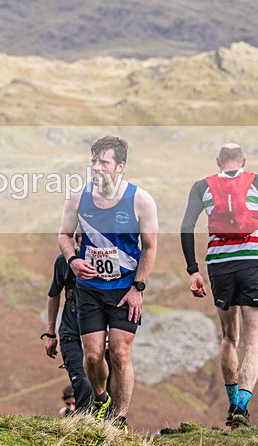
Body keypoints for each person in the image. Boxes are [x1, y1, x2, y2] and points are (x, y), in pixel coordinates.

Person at [58, 136, 158, 432]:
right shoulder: (77, 198)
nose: (96, 167)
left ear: (120, 166)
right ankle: (101, 399)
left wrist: (138, 289)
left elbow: (150, 247)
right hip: (90, 288)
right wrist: (73, 260)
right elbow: (64, 235)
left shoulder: (140, 200)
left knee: (120, 352)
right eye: (93, 161)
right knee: (92, 355)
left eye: (104, 162)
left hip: (125, 288)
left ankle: (120, 417)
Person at [180, 143, 258, 428]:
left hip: (219, 266)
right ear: (243, 161)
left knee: (229, 337)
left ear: (218, 162)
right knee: (254, 343)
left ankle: (230, 402)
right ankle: (241, 406)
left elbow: (186, 227)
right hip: (253, 263)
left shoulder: (201, 186)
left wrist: (193, 270)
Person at [44, 233, 94, 413]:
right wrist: (51, 333)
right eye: (82, 240)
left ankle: (108, 427)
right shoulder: (63, 262)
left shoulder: (107, 262)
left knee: (104, 385)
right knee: (82, 381)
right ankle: (82, 425)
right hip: (70, 333)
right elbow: (53, 294)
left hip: (99, 334)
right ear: (76, 241)